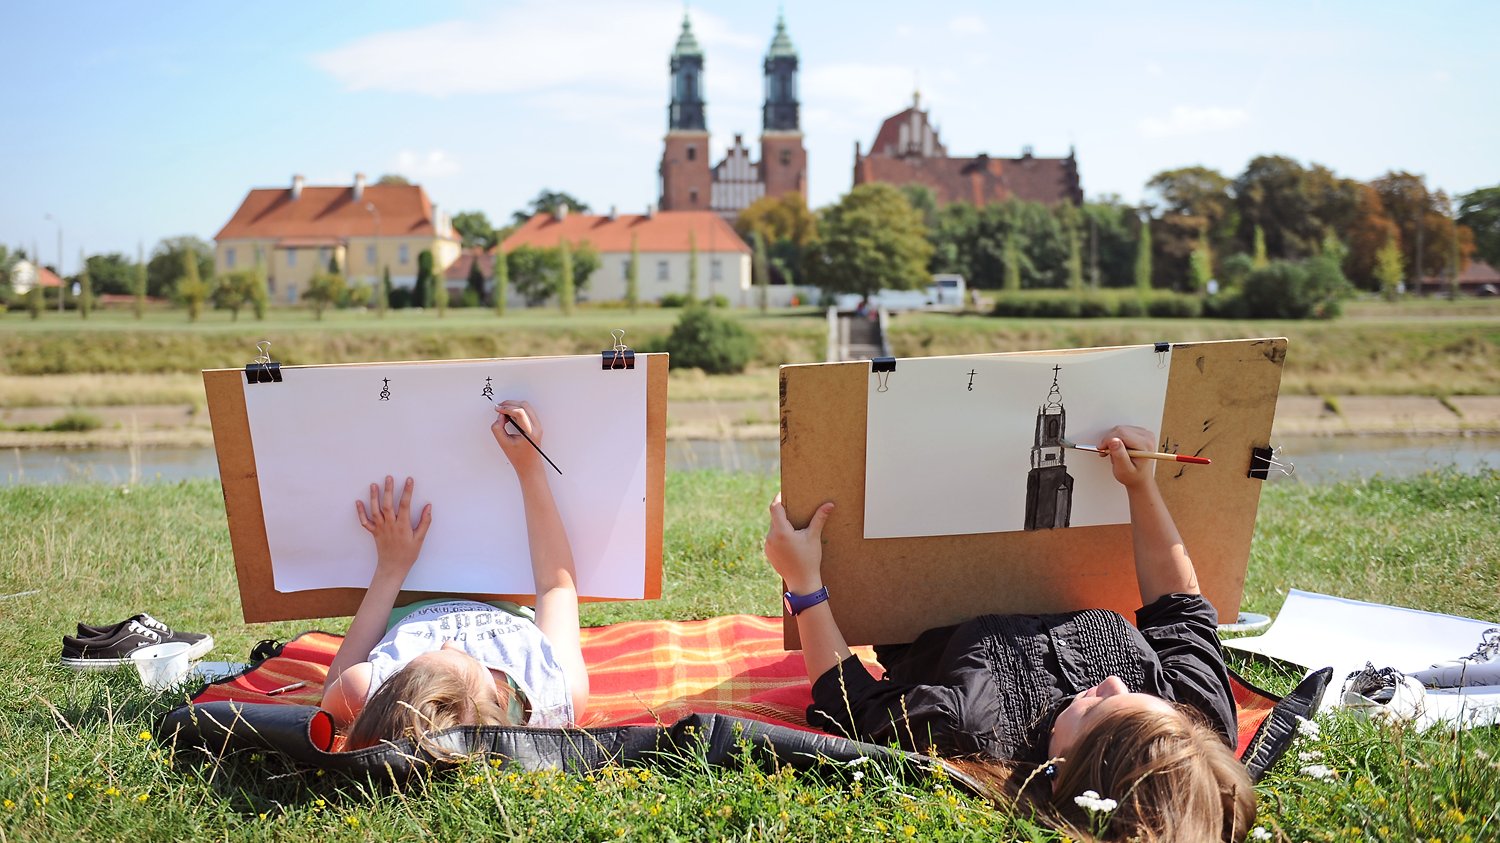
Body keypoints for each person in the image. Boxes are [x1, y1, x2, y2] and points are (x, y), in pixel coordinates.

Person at [765, 425, 1254, 842]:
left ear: (1061, 767)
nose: (1115, 684)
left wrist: (804, 584)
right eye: (1143, 696)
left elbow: (847, 699)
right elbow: (1180, 610)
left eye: (1098, 707)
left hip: (928, 547)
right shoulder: (1195, 727)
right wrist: (1140, 486)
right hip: (1059, 550)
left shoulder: (968, 728)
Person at [320, 400, 589, 751]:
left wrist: (391, 568)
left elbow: (331, 694)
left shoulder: (362, 690)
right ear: (496, 699)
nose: (450, 642)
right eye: (462, 658)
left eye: (419, 661)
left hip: (406, 597)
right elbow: (557, 587)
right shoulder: (555, 688)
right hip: (506, 596)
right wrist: (529, 467)